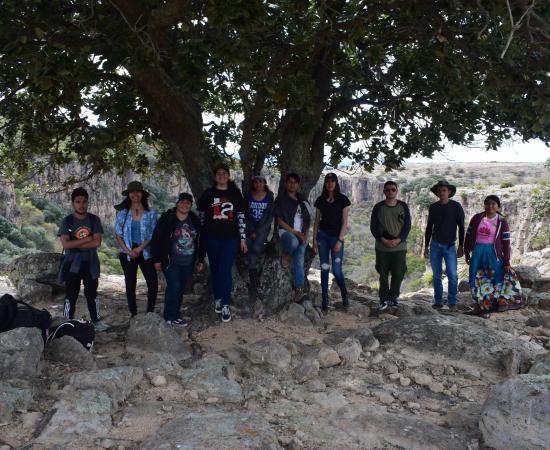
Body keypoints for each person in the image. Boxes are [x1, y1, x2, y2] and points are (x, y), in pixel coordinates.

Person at [197, 163, 247, 322]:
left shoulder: (235, 195)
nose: (221, 175)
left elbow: (240, 218)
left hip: (230, 239)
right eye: (218, 173)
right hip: (211, 238)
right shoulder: (208, 194)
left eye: (224, 173)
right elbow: (202, 218)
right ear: (215, 176)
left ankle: (225, 303)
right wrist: (201, 238)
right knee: (216, 269)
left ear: (228, 175)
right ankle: (218, 298)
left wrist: (243, 239)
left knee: (225, 270)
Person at [58, 187, 108, 332]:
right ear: (73, 203)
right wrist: (87, 239)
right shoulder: (67, 221)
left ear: (87, 202)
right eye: (78, 201)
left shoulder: (94, 220)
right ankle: (67, 321)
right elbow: (66, 244)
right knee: (71, 294)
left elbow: (97, 242)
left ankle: (96, 321)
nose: (81, 204)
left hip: (90, 262)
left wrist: (76, 242)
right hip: (72, 263)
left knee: (92, 294)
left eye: (84, 201)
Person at [464, 195, 521, 318]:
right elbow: (468, 235)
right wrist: (467, 251)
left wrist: (506, 261)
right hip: (477, 252)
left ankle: (487, 309)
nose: (490, 206)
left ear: (498, 206)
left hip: (493, 254)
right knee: (475, 279)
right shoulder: (477, 218)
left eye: (493, 204)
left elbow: (506, 243)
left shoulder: (501, 221)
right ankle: (477, 307)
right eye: (488, 203)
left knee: (491, 280)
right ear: (484, 205)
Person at [151, 193, 203, 326]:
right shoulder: (167, 218)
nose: (184, 205)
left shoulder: (195, 220)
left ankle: (176, 315)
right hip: (170, 260)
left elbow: (201, 241)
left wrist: (200, 259)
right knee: (174, 286)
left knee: (180, 289)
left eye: (188, 203)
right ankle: (169, 316)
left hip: (188, 262)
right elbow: (157, 239)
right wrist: (156, 259)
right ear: (177, 203)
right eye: (182, 202)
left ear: (191, 205)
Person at [114, 181, 158, 317]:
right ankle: (133, 313)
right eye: (132, 192)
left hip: (145, 251)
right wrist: (127, 250)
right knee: (130, 283)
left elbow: (152, 234)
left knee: (152, 283)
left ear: (142, 194)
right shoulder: (123, 213)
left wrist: (139, 248)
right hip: (127, 251)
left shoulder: (151, 213)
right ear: (129, 195)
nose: (135, 194)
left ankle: (150, 312)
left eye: (137, 192)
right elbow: (118, 234)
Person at [423, 180, 465, 311]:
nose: (442, 193)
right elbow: (429, 227)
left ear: (449, 192)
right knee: (436, 275)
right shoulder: (433, 207)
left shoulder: (456, 207)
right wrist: (426, 246)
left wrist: (461, 246)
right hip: (435, 245)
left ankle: (452, 302)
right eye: (439, 191)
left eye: (444, 190)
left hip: (450, 246)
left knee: (452, 274)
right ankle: (438, 301)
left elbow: (461, 227)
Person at [312, 173, 351, 313]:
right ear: (325, 183)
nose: (330, 184)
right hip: (322, 236)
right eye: (328, 181)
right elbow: (316, 221)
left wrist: (340, 240)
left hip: (336, 238)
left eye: (332, 181)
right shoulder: (320, 200)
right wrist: (314, 240)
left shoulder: (343, 200)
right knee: (324, 268)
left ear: (336, 183)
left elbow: (345, 222)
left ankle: (345, 295)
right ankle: (324, 300)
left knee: (337, 270)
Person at [370, 181, 411, 311]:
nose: (390, 192)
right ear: (384, 192)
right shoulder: (378, 207)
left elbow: (407, 226)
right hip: (382, 247)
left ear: (397, 191)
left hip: (399, 247)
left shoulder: (403, 206)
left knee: (398, 273)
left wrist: (399, 239)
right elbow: (373, 227)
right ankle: (383, 299)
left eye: (393, 189)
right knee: (383, 274)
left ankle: (393, 298)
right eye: (387, 190)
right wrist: (383, 240)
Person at [274, 172, 312, 302]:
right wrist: (296, 233)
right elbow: (279, 220)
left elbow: (308, 220)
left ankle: (299, 290)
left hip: (302, 235)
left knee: (300, 260)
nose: (292, 184)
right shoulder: (281, 199)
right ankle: (287, 254)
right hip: (286, 232)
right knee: (294, 243)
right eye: (289, 182)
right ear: (286, 184)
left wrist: (305, 236)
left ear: (298, 185)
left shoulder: (303, 201)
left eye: (294, 182)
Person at [245, 173, 274, 301]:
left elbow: (269, 218)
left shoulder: (269, 196)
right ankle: (254, 284)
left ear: (264, 183)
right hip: (249, 228)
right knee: (250, 249)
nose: (258, 184)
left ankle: (253, 283)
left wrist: (258, 232)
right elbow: (245, 214)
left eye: (261, 182)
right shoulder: (248, 195)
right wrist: (251, 230)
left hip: (263, 229)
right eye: (256, 182)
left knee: (256, 247)